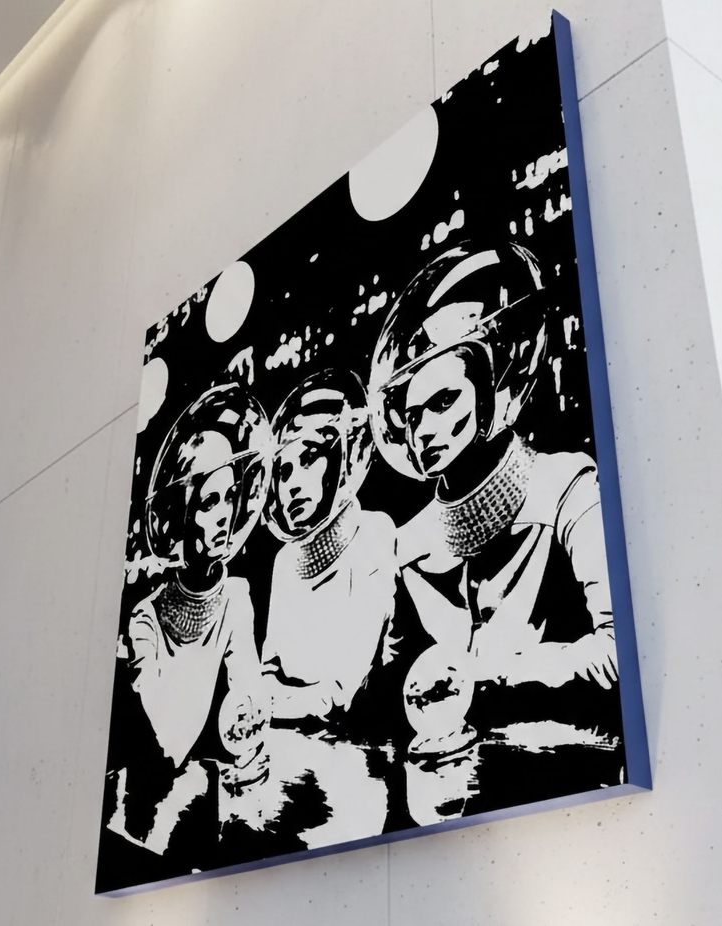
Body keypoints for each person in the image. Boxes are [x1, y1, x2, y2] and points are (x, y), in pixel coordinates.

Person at [368, 243, 619, 760]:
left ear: (488, 393)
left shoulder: (567, 485)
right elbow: (389, 686)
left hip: (567, 762)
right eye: (412, 415)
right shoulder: (408, 545)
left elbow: (621, 649)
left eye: (444, 401)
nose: (423, 430)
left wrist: (489, 675)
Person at [106, 383, 272, 858]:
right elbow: (163, 729)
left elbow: (247, 689)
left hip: (200, 798)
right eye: (207, 502)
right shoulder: (147, 616)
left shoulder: (237, 596)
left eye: (230, 496)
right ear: (182, 512)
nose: (224, 515)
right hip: (141, 807)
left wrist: (248, 724)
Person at [261, 369, 398, 728]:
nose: (292, 485)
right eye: (283, 472)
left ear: (341, 459)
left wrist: (277, 701)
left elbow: (341, 692)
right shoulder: (284, 561)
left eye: (309, 459)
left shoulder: (374, 531)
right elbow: (267, 673)